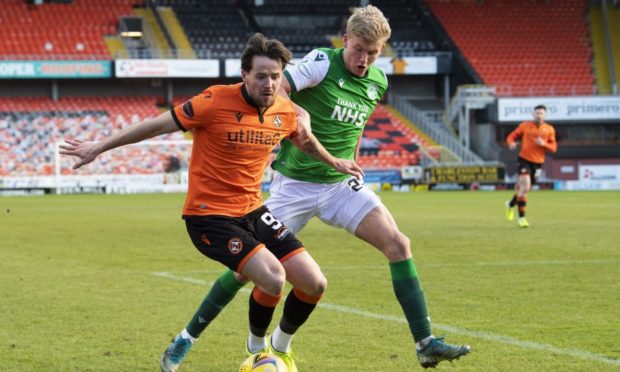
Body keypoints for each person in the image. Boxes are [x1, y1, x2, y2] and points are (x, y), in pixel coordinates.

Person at [60, 33, 363, 372]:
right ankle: (255, 349)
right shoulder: (214, 101)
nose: (269, 83)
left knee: (313, 282)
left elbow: (304, 140)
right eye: (261, 75)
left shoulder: (285, 110)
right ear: (244, 74)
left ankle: (274, 347)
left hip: (253, 210)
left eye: (275, 76)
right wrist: (99, 146)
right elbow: (154, 127)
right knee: (274, 278)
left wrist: (333, 160)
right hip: (209, 218)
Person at [194, 5, 471, 369]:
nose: (364, 59)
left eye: (373, 53)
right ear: (346, 41)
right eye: (358, 49)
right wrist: (300, 114)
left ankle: (424, 342)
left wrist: (354, 157)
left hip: (340, 184)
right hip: (294, 185)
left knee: (398, 243)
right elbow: (279, 91)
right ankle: (193, 335)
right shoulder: (322, 61)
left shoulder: (378, 82)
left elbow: (356, 125)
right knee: (244, 270)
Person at [505, 104, 557, 228]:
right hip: (524, 160)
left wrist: (544, 144)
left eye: (541, 113)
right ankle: (522, 219)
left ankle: (510, 204)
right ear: (533, 114)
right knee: (525, 186)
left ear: (545, 115)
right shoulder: (525, 126)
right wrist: (511, 142)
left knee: (524, 189)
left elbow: (554, 148)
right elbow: (512, 136)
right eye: (537, 113)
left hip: (538, 163)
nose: (539, 115)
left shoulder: (549, 129)